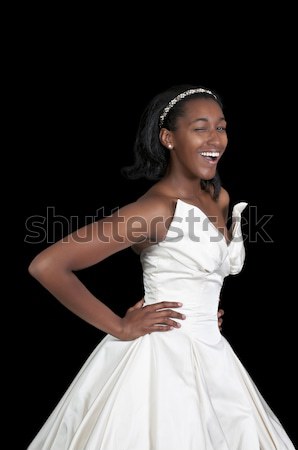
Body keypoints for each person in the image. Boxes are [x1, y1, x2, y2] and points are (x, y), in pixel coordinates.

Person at [27, 84, 295, 450]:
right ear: (169, 137)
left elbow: (197, 270)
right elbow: (49, 266)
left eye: (221, 127)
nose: (215, 138)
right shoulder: (155, 209)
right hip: (164, 362)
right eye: (201, 128)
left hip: (214, 355)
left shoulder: (218, 197)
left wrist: (200, 309)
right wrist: (120, 326)